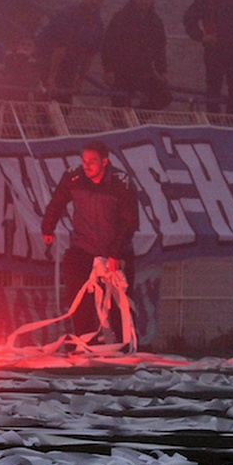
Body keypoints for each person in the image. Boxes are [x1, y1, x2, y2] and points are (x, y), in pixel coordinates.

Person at [41, 140, 139, 341]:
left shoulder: (121, 183)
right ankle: (85, 342)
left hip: (114, 250)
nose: (87, 166)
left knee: (118, 304)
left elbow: (130, 221)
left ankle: (124, 344)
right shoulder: (74, 177)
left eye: (92, 161)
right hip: (83, 247)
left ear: (105, 161)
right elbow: (57, 202)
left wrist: (115, 254)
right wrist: (47, 227)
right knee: (79, 297)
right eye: (84, 161)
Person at [101, 0, 172, 110]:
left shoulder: (156, 21)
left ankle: (137, 117)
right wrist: (108, 70)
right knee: (119, 109)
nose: (144, 1)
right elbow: (108, 45)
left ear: (152, 0)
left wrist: (162, 71)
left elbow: (160, 48)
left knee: (164, 97)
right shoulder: (121, 17)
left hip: (144, 71)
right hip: (121, 72)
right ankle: (125, 121)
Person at [34, 0, 106, 104]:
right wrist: (51, 78)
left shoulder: (98, 23)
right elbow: (60, 47)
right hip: (49, 60)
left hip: (70, 67)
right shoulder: (69, 14)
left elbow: (89, 56)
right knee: (45, 102)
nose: (94, 1)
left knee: (64, 103)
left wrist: (79, 82)